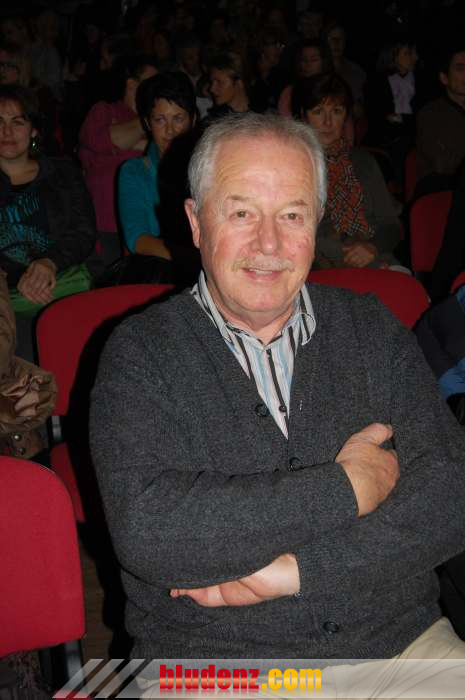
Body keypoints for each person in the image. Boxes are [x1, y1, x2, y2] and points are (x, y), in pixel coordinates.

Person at [91, 113, 465, 696]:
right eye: (241, 213)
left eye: (292, 215)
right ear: (195, 222)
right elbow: (151, 531)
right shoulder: (140, 354)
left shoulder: (371, 330)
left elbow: (450, 494)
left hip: (397, 648)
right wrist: (348, 486)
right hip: (221, 665)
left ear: (317, 222)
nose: (269, 244)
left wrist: (296, 572)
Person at [0, 84, 99, 355]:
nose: (6, 132)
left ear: (33, 130)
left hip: (64, 284)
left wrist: (48, 263)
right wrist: (21, 279)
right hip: (7, 300)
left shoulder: (62, 172)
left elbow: (83, 231)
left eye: (17, 122)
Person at [301, 73, 402, 269]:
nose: (328, 122)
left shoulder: (363, 161)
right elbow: (299, 235)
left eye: (336, 111)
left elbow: (391, 226)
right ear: (304, 116)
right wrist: (354, 258)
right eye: (318, 111)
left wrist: (373, 248)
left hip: (377, 257)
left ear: (345, 116)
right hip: (322, 266)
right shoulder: (294, 165)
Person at [117, 71, 200, 284]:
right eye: (160, 120)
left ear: (193, 120)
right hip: (159, 276)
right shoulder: (134, 171)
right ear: (147, 123)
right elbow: (137, 239)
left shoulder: (208, 168)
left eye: (178, 119)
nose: (170, 130)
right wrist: (194, 259)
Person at [78, 54, 158, 265]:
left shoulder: (161, 123)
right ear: (132, 84)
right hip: (104, 220)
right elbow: (102, 140)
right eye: (151, 82)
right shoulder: (105, 110)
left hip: (144, 222)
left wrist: (132, 143)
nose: (157, 89)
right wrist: (148, 122)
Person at [416, 45, 465, 196]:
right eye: (460, 69)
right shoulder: (430, 114)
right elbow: (442, 164)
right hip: (442, 188)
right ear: (444, 78)